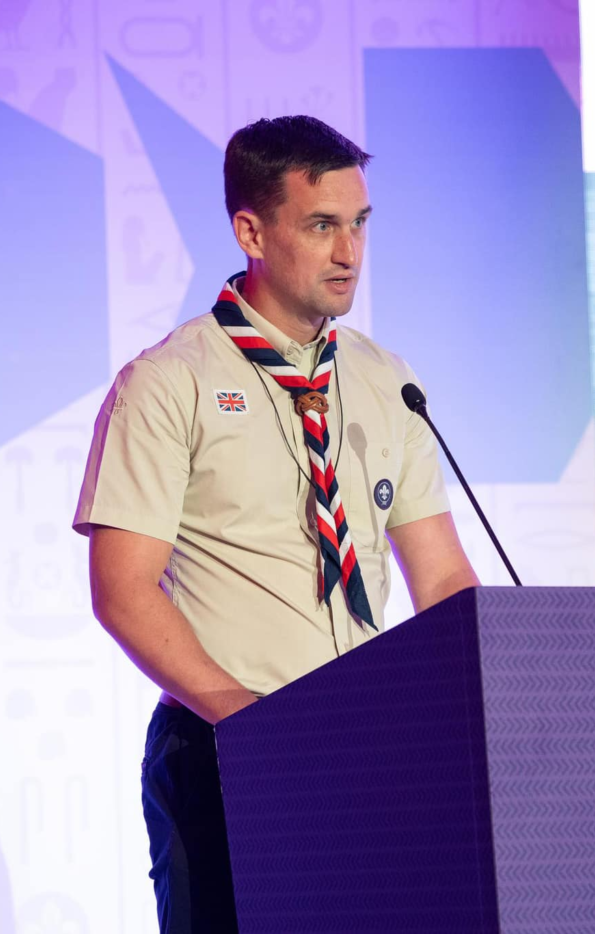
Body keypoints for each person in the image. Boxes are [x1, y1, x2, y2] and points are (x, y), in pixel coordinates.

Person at [72, 115, 480, 933]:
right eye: (322, 225)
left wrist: (491, 694)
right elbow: (122, 591)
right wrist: (252, 720)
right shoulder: (168, 382)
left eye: (360, 224)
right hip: (229, 752)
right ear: (250, 230)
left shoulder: (382, 379)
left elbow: (441, 579)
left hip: (372, 752)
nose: (349, 252)